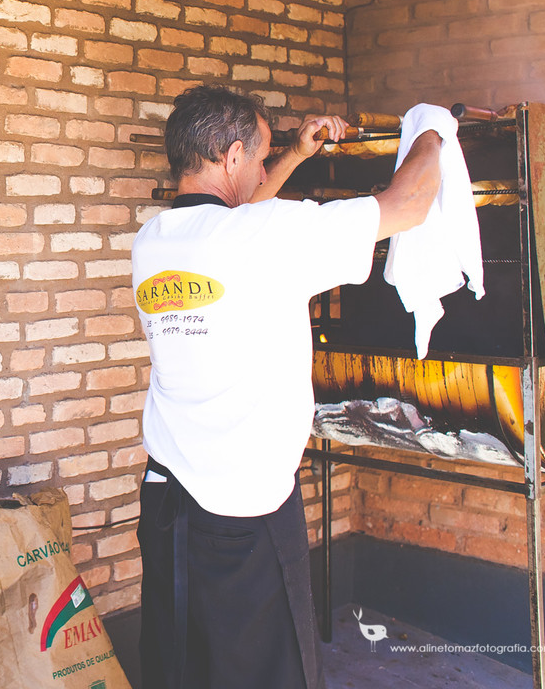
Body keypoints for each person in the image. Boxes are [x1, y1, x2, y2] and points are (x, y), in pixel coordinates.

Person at [131, 85, 441, 688]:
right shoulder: (267, 233)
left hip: (169, 500)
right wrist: (431, 129)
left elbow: (239, 217)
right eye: (262, 154)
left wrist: (295, 154)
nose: (263, 169)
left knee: (181, 666)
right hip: (243, 517)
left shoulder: (157, 240)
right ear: (233, 155)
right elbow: (410, 204)